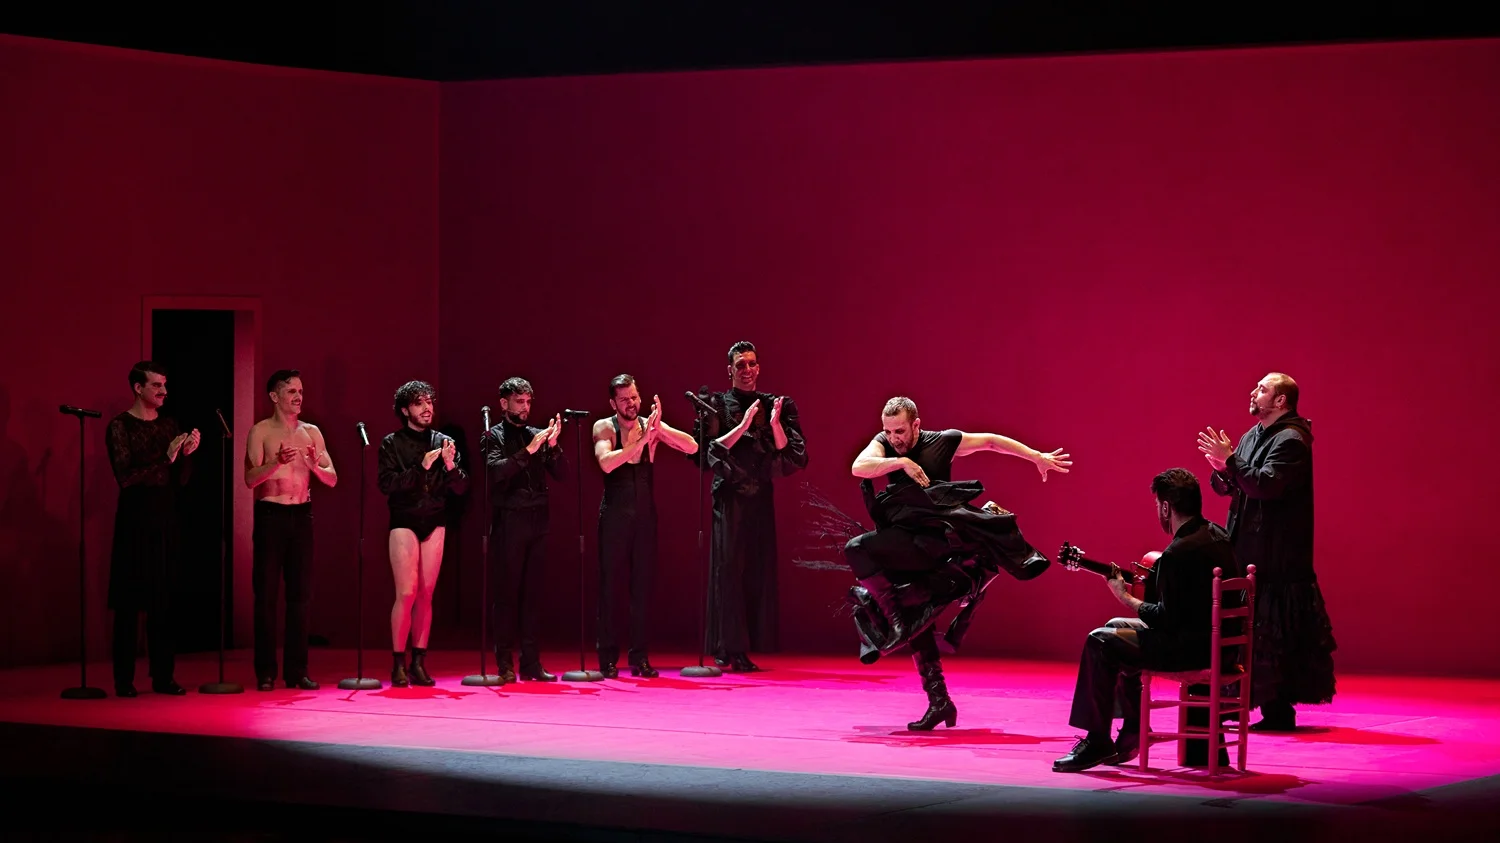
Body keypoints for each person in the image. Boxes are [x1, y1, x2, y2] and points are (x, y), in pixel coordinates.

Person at [849, 396, 1069, 729]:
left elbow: (991, 441)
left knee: (858, 550)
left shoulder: (942, 441)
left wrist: (1036, 456)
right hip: (903, 540)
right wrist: (901, 463)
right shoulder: (885, 444)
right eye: (889, 431)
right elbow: (859, 467)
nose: (894, 438)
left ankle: (896, 621)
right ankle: (939, 701)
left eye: (900, 431)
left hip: (935, 545)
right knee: (915, 614)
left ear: (916, 425)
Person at [1053, 468, 1235, 772]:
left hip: (1191, 649)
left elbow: (1165, 618)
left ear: (1166, 507)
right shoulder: (1217, 535)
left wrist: (1125, 597)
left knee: (1100, 641)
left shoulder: (1178, 553)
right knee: (1115, 629)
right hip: (1218, 642)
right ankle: (1132, 729)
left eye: (1157, 506)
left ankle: (1098, 739)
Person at [1198, 372, 1335, 731]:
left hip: (1276, 554)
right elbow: (1236, 485)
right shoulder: (1252, 435)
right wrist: (1222, 469)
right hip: (1248, 546)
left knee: (1272, 633)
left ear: (1280, 401)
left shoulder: (1292, 440)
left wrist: (1232, 462)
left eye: (1262, 389)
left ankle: (1276, 709)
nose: (1253, 392)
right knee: (1246, 630)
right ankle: (1238, 703)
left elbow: (1266, 485)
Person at [691, 341, 808, 672]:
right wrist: (742, 426)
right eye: (740, 365)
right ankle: (729, 647)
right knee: (728, 569)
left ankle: (740, 644)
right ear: (730, 370)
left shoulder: (775, 404)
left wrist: (774, 424)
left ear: (759, 368)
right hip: (729, 496)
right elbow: (705, 454)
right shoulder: (717, 404)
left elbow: (792, 455)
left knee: (755, 569)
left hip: (760, 496)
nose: (747, 370)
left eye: (751, 364)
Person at [592, 375, 699, 678]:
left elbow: (692, 447)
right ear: (613, 403)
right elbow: (606, 463)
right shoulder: (604, 427)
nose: (631, 404)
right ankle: (607, 658)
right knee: (610, 587)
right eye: (624, 399)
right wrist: (639, 443)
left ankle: (639, 657)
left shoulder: (649, 425)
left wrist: (659, 428)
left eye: (634, 397)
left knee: (642, 588)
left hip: (644, 516)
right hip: (615, 515)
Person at [104, 361, 199, 697]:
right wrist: (167, 458)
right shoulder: (120, 426)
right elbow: (126, 477)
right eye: (157, 385)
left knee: (164, 602)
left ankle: (163, 676)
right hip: (134, 520)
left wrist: (186, 455)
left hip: (164, 518)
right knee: (129, 604)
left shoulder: (169, 424)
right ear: (138, 388)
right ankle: (124, 680)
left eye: (164, 385)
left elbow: (180, 480)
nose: (163, 391)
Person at [245, 369, 337, 691]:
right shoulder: (261, 431)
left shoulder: (311, 432)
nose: (298, 397)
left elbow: (332, 478)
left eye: (300, 391)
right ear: (274, 396)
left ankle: (297, 671)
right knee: (266, 595)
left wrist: (313, 466)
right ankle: (266, 672)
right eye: (291, 392)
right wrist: (277, 463)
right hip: (271, 514)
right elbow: (250, 479)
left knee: (300, 596)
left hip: (302, 514)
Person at [378, 380, 468, 687]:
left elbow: (461, 487)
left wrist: (450, 465)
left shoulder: (444, 441)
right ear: (405, 410)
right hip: (404, 519)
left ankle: (418, 661)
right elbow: (387, 484)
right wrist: (421, 466)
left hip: (435, 519)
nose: (427, 408)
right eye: (419, 403)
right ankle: (397, 662)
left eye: (429, 401)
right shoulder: (391, 443)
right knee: (406, 592)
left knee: (426, 593)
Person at [482, 377, 565, 683]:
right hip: (510, 520)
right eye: (519, 402)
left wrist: (553, 447)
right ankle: (504, 662)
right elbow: (496, 473)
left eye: (528, 402)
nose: (525, 407)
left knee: (533, 595)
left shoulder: (536, 434)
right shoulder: (493, 436)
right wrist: (529, 451)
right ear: (504, 403)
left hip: (538, 519)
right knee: (506, 594)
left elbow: (563, 474)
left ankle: (531, 662)